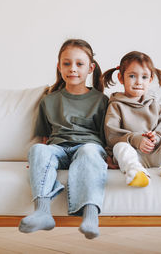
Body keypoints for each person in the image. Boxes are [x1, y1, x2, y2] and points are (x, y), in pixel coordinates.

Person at [18, 39, 108, 239]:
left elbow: (106, 137)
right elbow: (44, 138)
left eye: (79, 64)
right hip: (57, 149)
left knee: (89, 150)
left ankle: (91, 215)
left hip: (88, 148)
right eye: (66, 64)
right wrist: (37, 160)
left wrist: (110, 157)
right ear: (59, 67)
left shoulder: (101, 101)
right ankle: (42, 212)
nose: (72, 69)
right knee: (37, 151)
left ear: (90, 68)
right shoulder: (49, 100)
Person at [102, 51, 161, 188]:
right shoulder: (116, 105)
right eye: (132, 76)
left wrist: (156, 137)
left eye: (144, 77)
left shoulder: (156, 106)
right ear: (121, 78)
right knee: (120, 147)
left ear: (150, 79)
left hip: (155, 154)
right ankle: (136, 172)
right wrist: (136, 139)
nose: (139, 82)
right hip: (133, 154)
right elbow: (112, 135)